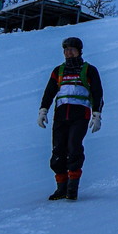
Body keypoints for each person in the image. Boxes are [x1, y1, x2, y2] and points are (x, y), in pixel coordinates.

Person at [38, 36, 104, 200]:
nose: (68, 53)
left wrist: (97, 114)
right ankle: (61, 187)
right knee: (58, 151)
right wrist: (43, 110)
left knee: (74, 147)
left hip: (80, 115)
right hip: (60, 115)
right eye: (66, 50)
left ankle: (72, 188)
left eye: (71, 50)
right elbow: (49, 92)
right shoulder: (58, 71)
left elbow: (97, 92)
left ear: (79, 51)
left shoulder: (89, 70)